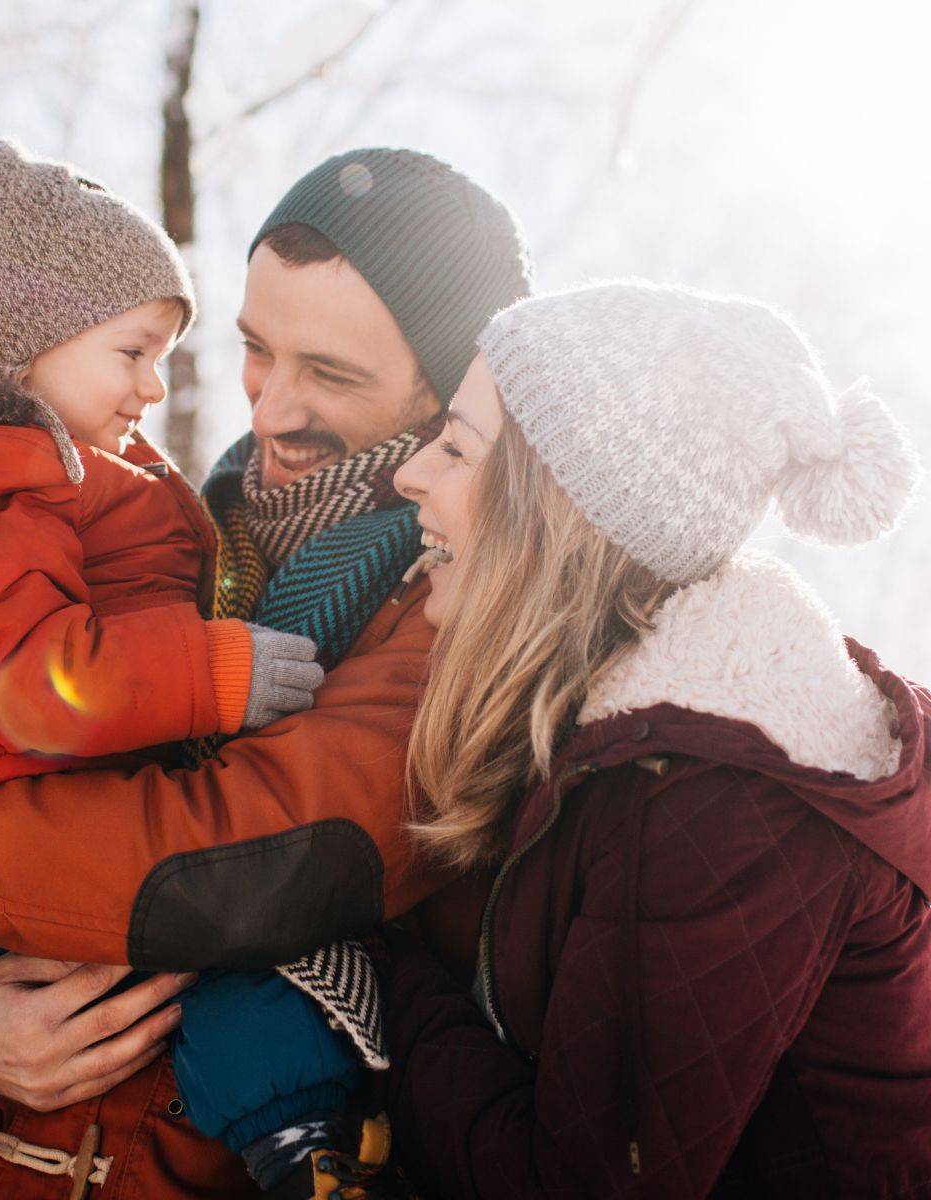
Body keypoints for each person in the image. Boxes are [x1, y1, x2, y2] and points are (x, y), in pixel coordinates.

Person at [0, 147, 535, 1197]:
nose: (269, 410)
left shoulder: (456, 598)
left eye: (332, 373)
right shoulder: (165, 521)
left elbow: (250, 865)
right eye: (257, 351)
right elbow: (2, 778)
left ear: (446, 388)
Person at [377, 281, 931, 1197]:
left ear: (552, 511)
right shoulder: (612, 733)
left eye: (457, 447)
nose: (411, 473)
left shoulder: (720, 808)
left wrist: (366, 971)